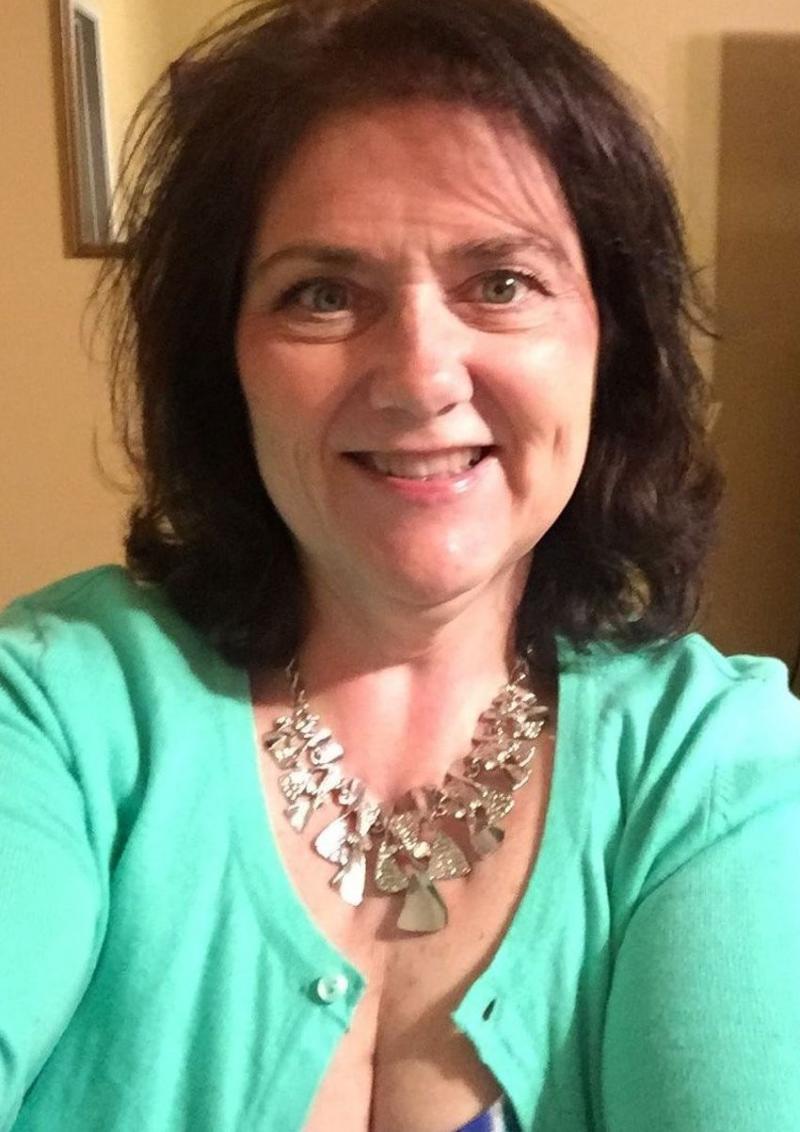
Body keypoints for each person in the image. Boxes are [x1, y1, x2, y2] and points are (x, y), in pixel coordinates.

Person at [2, 0, 799, 1128]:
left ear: (605, 342)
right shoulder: (55, 710)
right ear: (224, 362)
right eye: (323, 294)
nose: (422, 377)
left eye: (501, 282)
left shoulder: (712, 761)